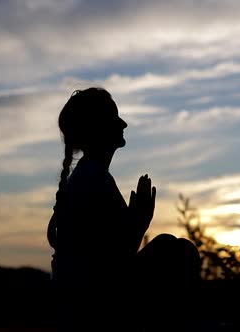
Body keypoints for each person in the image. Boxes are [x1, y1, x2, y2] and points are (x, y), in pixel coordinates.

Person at [47, 87, 201, 331]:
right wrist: (140, 222)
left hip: (80, 303)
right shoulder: (93, 181)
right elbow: (112, 265)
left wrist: (137, 222)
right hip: (88, 309)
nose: (124, 123)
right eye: (114, 118)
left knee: (172, 247)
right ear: (96, 128)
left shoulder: (89, 177)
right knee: (177, 252)